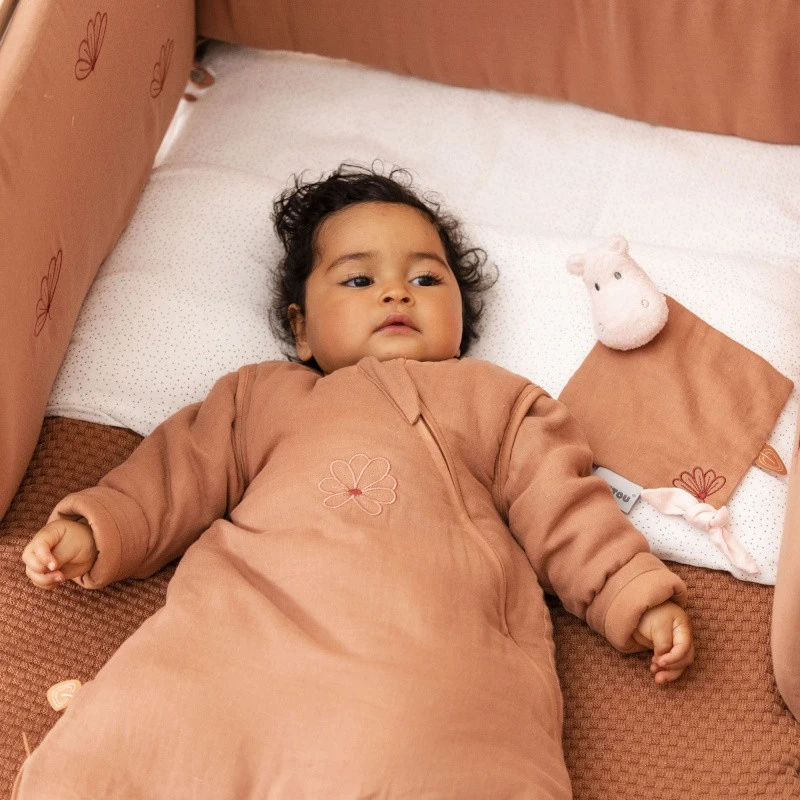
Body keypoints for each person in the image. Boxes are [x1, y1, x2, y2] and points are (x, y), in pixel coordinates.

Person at [16, 163, 694, 799]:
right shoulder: (262, 396)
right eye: (359, 280)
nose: (397, 292)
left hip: (419, 651)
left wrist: (630, 592)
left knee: (437, 744)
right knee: (157, 718)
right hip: (248, 631)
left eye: (426, 279)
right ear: (302, 330)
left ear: (461, 322)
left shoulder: (498, 400)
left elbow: (565, 508)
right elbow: (176, 472)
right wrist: (97, 526)